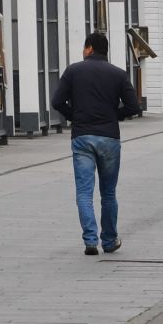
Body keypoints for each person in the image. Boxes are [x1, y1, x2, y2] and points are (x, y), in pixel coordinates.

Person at [51, 31, 141, 256]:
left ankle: (90, 241)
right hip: (109, 137)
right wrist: (114, 115)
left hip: (82, 137)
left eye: (84, 48)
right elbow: (134, 107)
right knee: (108, 193)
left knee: (84, 192)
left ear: (89, 48)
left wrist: (75, 115)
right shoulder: (118, 74)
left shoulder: (73, 71)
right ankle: (109, 241)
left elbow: (56, 101)